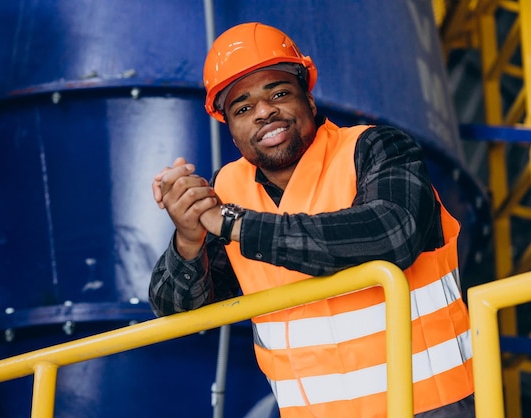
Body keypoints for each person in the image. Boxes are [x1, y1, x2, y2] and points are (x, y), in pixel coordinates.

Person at [149, 22, 475, 418]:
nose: (264, 112)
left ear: (310, 99)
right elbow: (177, 312)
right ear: (230, 130)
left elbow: (393, 233)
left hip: (430, 406)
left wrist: (235, 224)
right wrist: (188, 237)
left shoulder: (376, 148)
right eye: (243, 107)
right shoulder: (228, 190)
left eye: (279, 93)